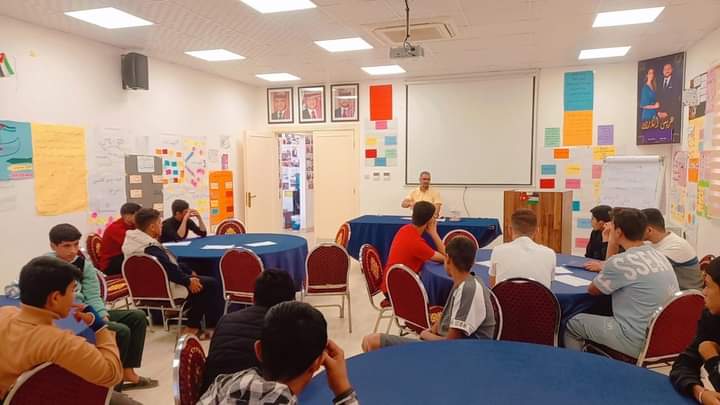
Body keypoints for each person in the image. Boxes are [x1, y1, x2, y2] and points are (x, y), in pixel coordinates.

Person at [47, 224, 156, 391]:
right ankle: (113, 388)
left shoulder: (83, 265)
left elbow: (92, 294)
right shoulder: (45, 266)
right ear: (53, 246)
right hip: (66, 318)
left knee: (138, 317)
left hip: (86, 312)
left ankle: (127, 372)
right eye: (66, 246)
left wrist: (101, 315)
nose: (73, 250)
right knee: (121, 331)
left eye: (76, 244)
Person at [0, 257, 123, 402]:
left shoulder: (5, 313)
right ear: (55, 298)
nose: (74, 297)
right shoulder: (60, 342)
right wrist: (99, 326)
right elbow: (112, 375)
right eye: (73, 290)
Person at [565, 208, 679, 358]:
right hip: (664, 337)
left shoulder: (620, 262)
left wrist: (611, 241)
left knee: (573, 323)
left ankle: (576, 366)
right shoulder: (659, 255)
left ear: (618, 232)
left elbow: (593, 290)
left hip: (635, 339)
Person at [198, 301, 359, 405]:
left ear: (258, 350)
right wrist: (343, 389)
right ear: (317, 363)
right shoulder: (284, 401)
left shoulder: (224, 383)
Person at [362, 237, 496, 351]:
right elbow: (444, 321)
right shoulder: (463, 283)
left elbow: (452, 344)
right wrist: (431, 331)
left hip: (459, 354)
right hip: (448, 347)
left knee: (372, 342)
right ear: (473, 262)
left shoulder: (468, 289)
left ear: (448, 259)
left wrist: (426, 335)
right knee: (369, 341)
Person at [123, 208, 219, 338]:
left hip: (143, 289)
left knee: (192, 273)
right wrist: (188, 281)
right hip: (163, 289)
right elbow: (169, 270)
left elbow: (168, 265)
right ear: (152, 227)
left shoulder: (132, 242)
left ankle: (175, 313)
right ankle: (192, 327)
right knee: (209, 284)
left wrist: (188, 272)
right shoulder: (151, 248)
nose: (161, 225)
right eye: (159, 223)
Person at [201, 269, 296, 394]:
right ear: (291, 302)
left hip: (212, 395)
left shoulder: (225, 320)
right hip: (258, 397)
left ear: (253, 298)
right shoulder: (287, 330)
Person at [670, 257, 720, 404]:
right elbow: (683, 365)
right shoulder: (711, 317)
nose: (704, 292)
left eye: (708, 286)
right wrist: (699, 392)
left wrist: (711, 357)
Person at [380, 201, 445, 296]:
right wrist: (434, 233)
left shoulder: (405, 229)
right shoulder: (416, 242)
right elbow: (445, 258)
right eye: (434, 216)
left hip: (391, 283)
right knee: (440, 292)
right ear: (429, 220)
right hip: (397, 290)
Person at [489, 209, 555, 288]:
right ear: (537, 231)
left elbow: (493, 288)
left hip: (504, 296)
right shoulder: (550, 254)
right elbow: (548, 287)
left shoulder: (498, 251)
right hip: (537, 296)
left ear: (509, 230)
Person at [642, 208, 701, 290]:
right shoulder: (653, 242)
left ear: (649, 230)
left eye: (638, 228)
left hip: (686, 294)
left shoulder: (675, 246)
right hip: (671, 290)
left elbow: (647, 272)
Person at [99, 202, 141, 276]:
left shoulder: (132, 225)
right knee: (139, 261)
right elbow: (133, 244)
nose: (140, 218)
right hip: (110, 262)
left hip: (122, 255)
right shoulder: (115, 228)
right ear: (126, 215)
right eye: (137, 215)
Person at [583, 205, 612, 272]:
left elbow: (609, 260)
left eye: (593, 219)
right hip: (592, 267)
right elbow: (588, 254)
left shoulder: (614, 236)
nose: (591, 221)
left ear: (601, 223)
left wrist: (605, 239)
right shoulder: (595, 233)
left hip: (605, 270)